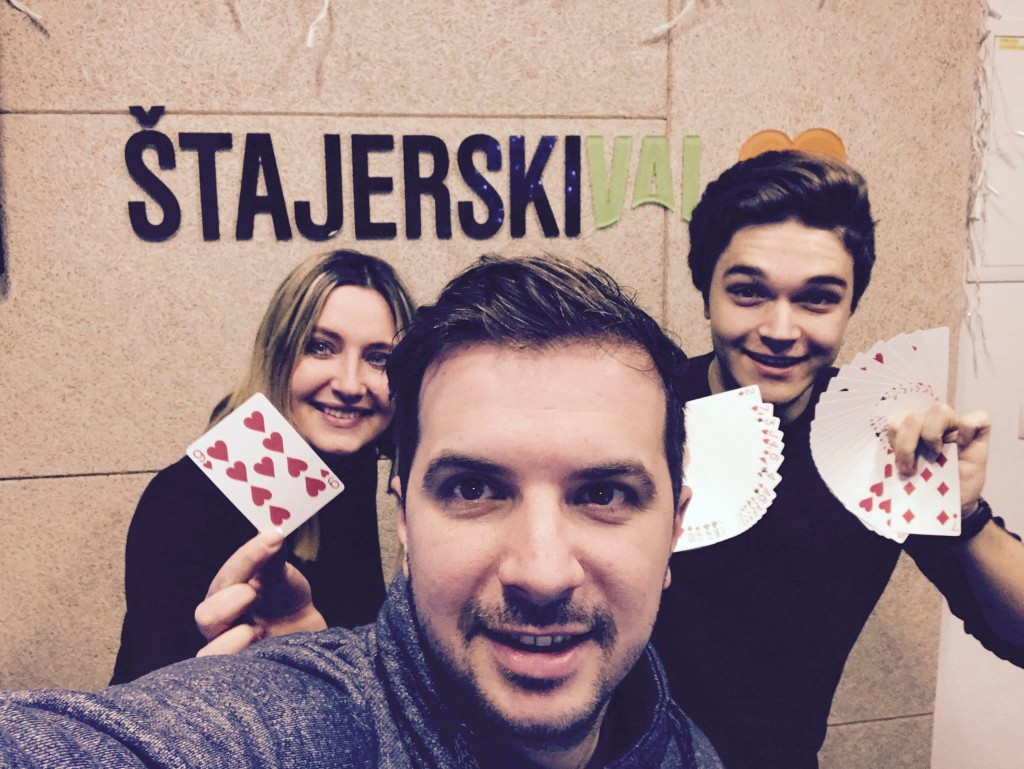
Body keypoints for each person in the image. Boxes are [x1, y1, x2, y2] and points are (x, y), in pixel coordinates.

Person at [0, 255, 724, 769]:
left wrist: (318, 643)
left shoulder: (684, 747)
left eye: (603, 494)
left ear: (675, 526)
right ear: (407, 516)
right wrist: (275, 679)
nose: (349, 382)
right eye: (473, 489)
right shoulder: (194, 493)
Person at [651, 150, 1024, 769]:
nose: (780, 328)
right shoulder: (645, 413)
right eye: (747, 292)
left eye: (817, 300)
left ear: (850, 307)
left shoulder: (880, 435)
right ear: (706, 292)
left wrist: (964, 514)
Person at [109, 249, 416, 683]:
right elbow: (153, 689)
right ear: (277, 354)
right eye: (320, 347)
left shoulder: (353, 465)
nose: (350, 384)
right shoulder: (184, 500)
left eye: (378, 357)